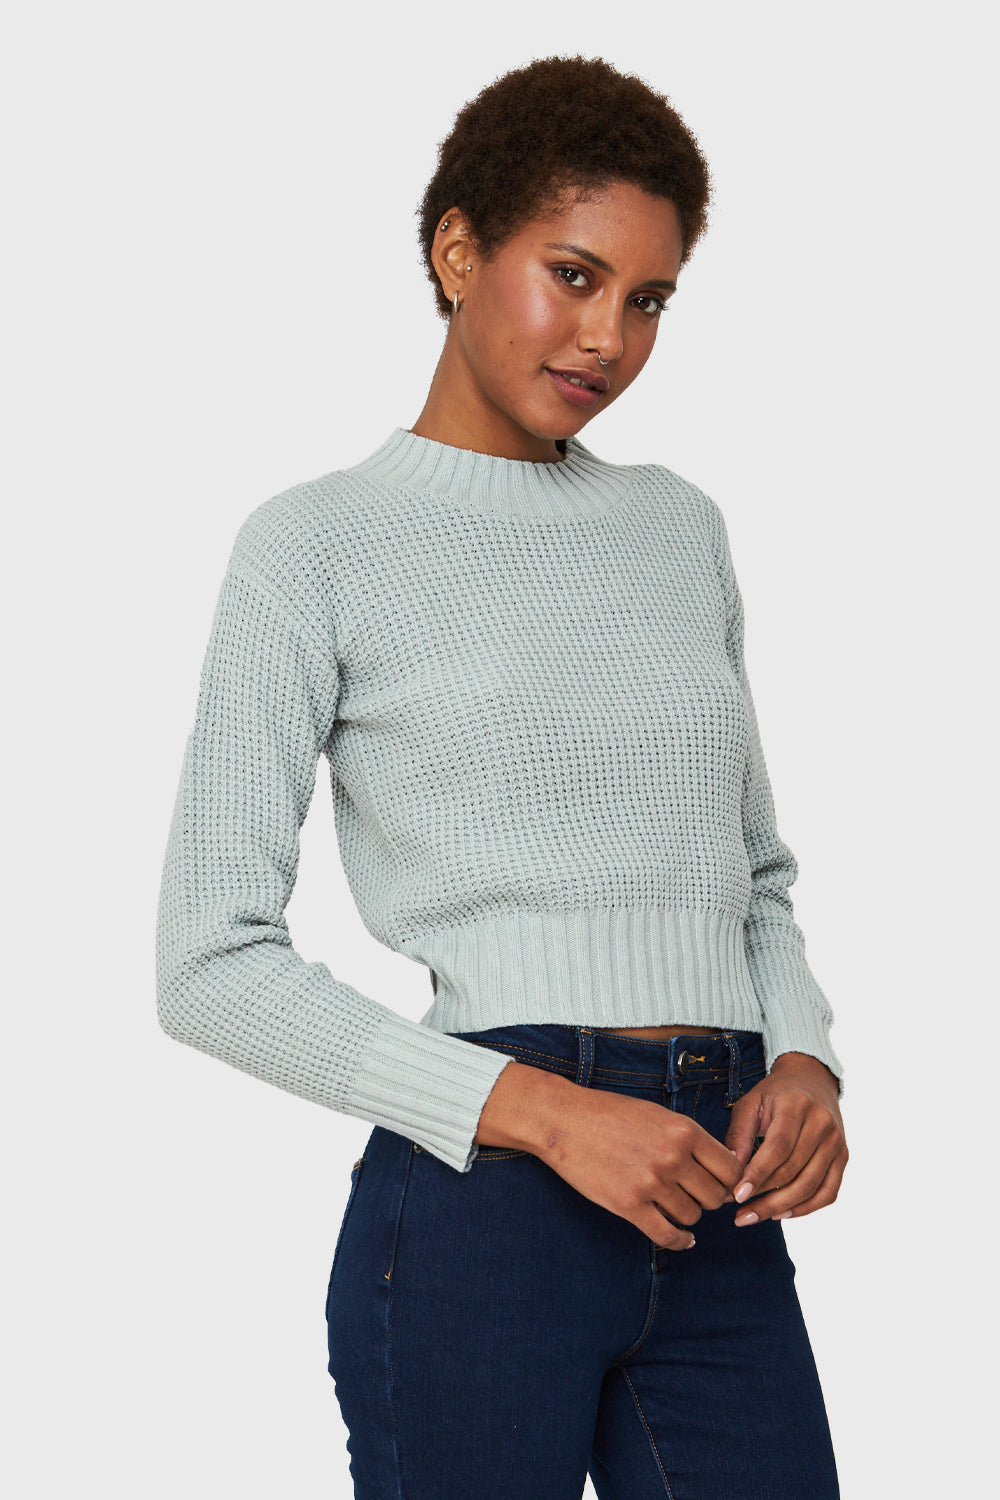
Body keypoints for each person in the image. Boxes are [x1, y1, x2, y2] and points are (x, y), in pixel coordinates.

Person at [155, 54, 848, 1499]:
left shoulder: (677, 529)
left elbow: (753, 873)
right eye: (573, 276)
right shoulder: (315, 546)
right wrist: (544, 1110)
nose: (608, 337)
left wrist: (802, 1053)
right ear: (458, 251)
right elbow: (207, 964)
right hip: (486, 1202)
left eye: (649, 300)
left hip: (718, 1197)